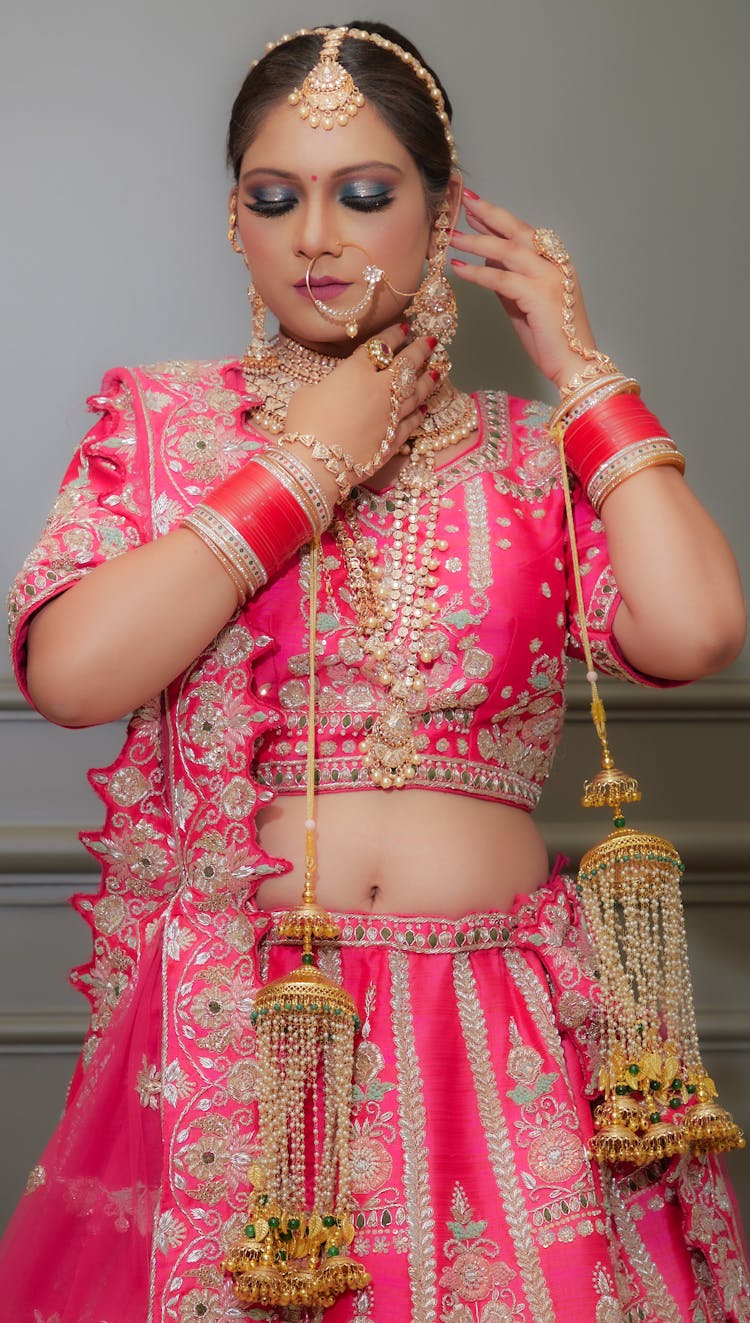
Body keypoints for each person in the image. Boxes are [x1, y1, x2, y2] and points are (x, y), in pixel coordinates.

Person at [2, 19, 748, 1323]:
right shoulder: (164, 427)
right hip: (250, 1018)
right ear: (233, 221)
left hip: (501, 1022)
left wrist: (581, 372)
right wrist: (306, 466)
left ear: (440, 211)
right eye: (273, 198)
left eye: (364, 194)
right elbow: (71, 676)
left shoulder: (529, 452)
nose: (316, 239)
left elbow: (691, 633)